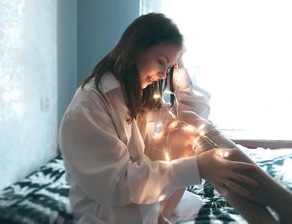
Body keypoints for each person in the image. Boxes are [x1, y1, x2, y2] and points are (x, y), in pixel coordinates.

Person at [58, 13, 259, 224]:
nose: (164, 74)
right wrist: (198, 167)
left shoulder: (139, 93)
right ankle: (273, 205)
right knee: (187, 137)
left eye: (169, 67)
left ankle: (271, 204)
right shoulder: (88, 108)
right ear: (135, 49)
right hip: (110, 210)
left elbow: (192, 115)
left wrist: (179, 69)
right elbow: (118, 185)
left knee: (185, 127)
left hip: (141, 195)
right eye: (161, 61)